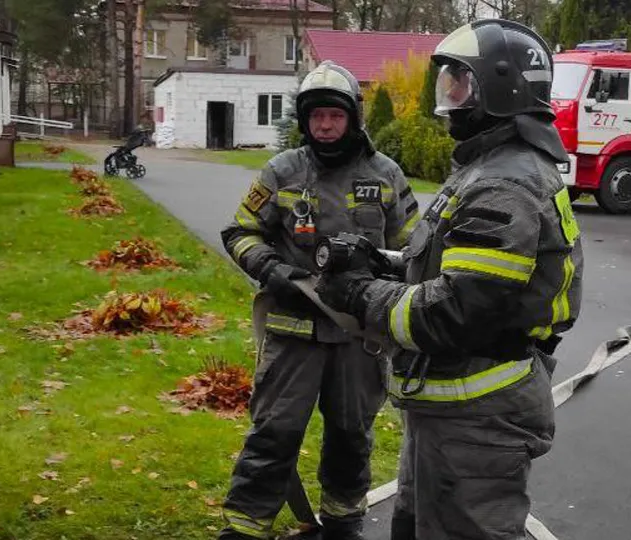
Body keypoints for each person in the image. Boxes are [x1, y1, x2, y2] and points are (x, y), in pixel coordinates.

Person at [317, 19, 584, 540]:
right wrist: (381, 262)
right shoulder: (488, 167)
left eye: (458, 82)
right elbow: (450, 268)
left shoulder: (505, 182)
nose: (448, 96)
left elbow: (455, 312)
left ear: (499, 87)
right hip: (452, 408)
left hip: (477, 418)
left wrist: (358, 292)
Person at [218, 61, 420, 540]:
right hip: (293, 335)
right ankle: (244, 528)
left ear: (353, 117)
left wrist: (377, 271)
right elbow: (239, 231)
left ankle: (344, 523)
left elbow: (415, 254)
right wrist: (273, 271)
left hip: (359, 338)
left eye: (334, 116)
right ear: (305, 120)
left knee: (352, 437)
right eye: (315, 118)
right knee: (273, 435)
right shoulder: (283, 171)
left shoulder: (386, 175)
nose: (324, 127)